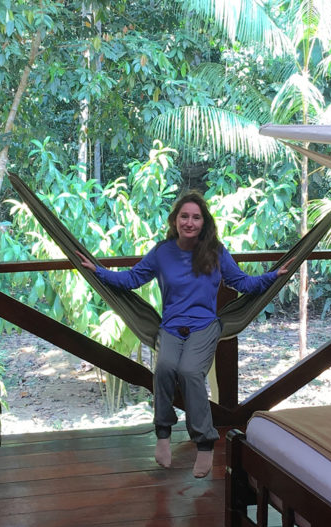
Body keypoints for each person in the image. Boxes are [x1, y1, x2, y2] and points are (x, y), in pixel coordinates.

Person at [79, 191, 286, 478]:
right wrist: (98, 271)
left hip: (205, 326)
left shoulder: (215, 252)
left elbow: (242, 282)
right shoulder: (162, 252)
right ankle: (163, 435)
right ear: (175, 220)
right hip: (171, 327)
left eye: (196, 217)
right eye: (184, 216)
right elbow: (132, 279)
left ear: (204, 222)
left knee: (189, 372)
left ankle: (204, 444)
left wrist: (273, 278)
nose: (189, 222)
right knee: (163, 368)